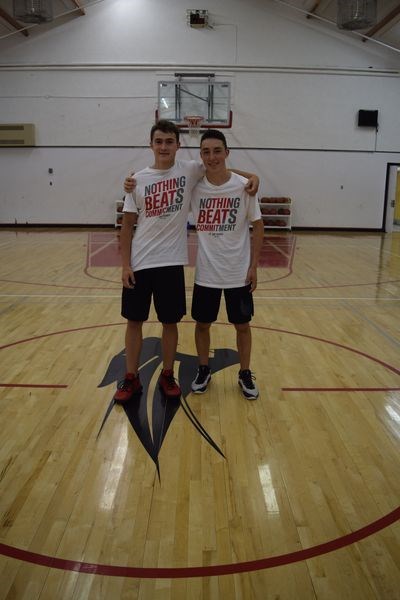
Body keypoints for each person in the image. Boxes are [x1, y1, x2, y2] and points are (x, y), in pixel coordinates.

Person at [115, 119, 259, 403]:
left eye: (170, 142)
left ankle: (168, 374)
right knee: (134, 322)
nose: (164, 146)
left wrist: (253, 175)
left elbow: (220, 167)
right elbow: (127, 225)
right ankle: (131, 378)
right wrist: (124, 264)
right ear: (151, 145)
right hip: (140, 263)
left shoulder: (189, 169)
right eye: (159, 141)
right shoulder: (137, 180)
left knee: (171, 323)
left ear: (179, 146)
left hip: (171, 263)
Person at [190, 129, 264, 400]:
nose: (212, 157)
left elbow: (258, 226)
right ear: (201, 156)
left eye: (217, 151)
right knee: (202, 324)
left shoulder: (243, 187)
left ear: (226, 153)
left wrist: (254, 266)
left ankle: (244, 372)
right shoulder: (194, 187)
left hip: (238, 272)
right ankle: (203, 368)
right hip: (206, 272)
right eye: (206, 152)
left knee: (243, 326)